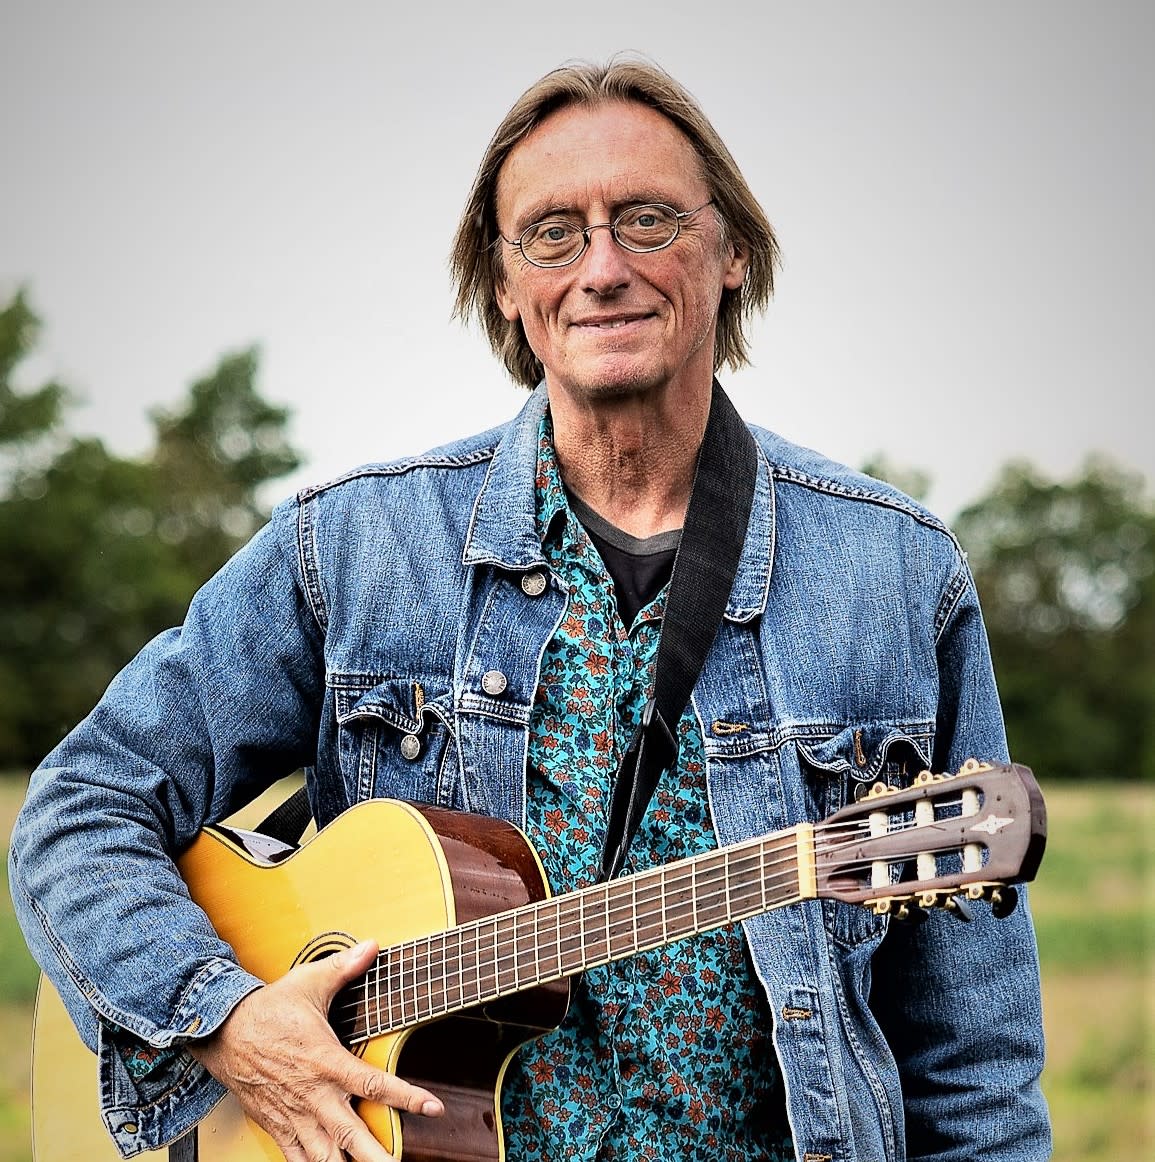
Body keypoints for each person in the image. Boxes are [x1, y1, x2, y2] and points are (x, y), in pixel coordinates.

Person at [9, 56, 1050, 1162]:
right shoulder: (354, 546)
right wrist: (227, 1016)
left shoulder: (894, 572)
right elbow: (83, 806)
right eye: (552, 234)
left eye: (646, 220)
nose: (602, 268)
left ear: (733, 251)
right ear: (504, 284)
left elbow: (973, 1065)